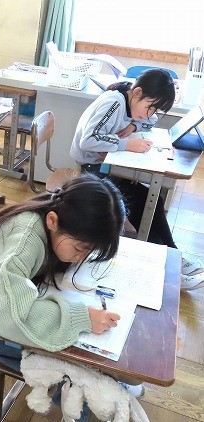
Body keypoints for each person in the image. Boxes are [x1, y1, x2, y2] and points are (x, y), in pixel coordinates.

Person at [0, 174, 133, 421]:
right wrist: (82, 318)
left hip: (3, 311)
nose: (82, 257)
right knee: (81, 380)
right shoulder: (23, 240)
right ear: (52, 221)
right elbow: (9, 316)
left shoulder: (53, 218)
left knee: (93, 365)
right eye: (80, 248)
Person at [70, 68, 203, 290]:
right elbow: (88, 139)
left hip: (107, 165)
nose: (150, 114)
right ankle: (169, 271)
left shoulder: (131, 101)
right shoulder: (115, 102)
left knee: (153, 200)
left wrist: (133, 125)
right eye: (150, 107)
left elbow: (150, 122)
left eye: (155, 109)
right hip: (91, 169)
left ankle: (174, 256)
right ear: (138, 92)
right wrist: (126, 144)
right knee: (137, 203)